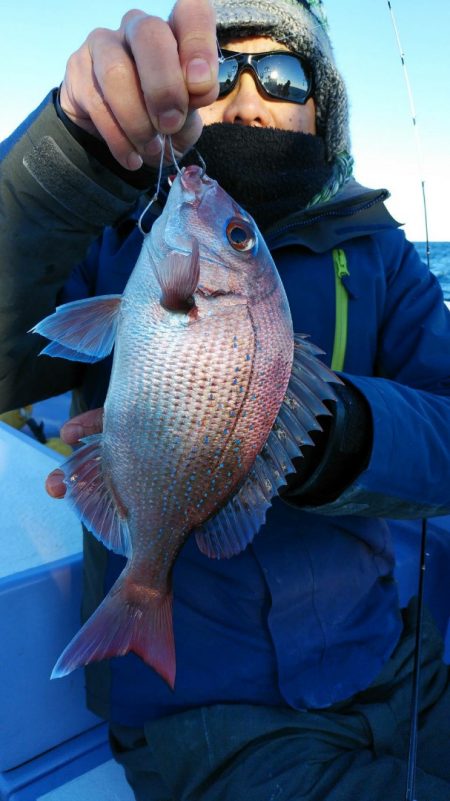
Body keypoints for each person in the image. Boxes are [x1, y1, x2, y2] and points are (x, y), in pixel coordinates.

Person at [1, 0, 450, 798]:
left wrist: (338, 434)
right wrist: (63, 161)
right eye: (220, 69)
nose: (248, 93)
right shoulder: (107, 235)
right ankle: (145, 595)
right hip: (207, 710)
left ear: (324, 108)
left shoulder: (377, 250)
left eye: (281, 71)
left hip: (396, 659)